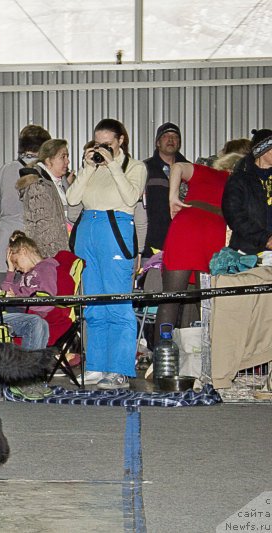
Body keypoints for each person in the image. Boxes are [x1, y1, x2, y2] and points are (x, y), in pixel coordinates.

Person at [66, 118, 147, 390]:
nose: (101, 148)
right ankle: (96, 365)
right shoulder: (93, 168)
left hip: (116, 229)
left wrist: (113, 164)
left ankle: (120, 369)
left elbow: (130, 197)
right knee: (94, 304)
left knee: (118, 303)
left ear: (120, 140)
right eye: (97, 143)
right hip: (88, 230)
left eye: (107, 144)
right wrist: (88, 168)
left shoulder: (134, 167)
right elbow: (73, 199)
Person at [155, 152, 241, 345]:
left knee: (170, 299)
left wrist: (173, 198)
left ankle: (160, 363)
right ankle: (209, 363)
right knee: (208, 305)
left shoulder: (204, 171)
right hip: (212, 235)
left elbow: (177, 167)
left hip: (185, 229)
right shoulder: (239, 184)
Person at [0, 125, 52, 277]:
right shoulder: (43, 172)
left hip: (6, 240)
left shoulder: (6, 169)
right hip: (32, 243)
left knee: (6, 289)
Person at [16, 138, 73, 258]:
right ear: (48, 160)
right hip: (50, 256)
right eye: (63, 157)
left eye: (67, 157)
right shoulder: (38, 185)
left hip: (62, 252)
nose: (67, 161)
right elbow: (42, 228)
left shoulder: (61, 182)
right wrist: (52, 259)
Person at [141, 122, 189, 257]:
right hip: (152, 241)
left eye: (175, 137)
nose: (171, 139)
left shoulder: (191, 170)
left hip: (183, 239)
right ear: (157, 143)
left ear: (179, 143)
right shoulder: (144, 168)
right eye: (166, 136)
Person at [222, 128, 272, 256]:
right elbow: (234, 216)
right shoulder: (239, 179)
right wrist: (265, 238)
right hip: (247, 252)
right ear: (262, 151)